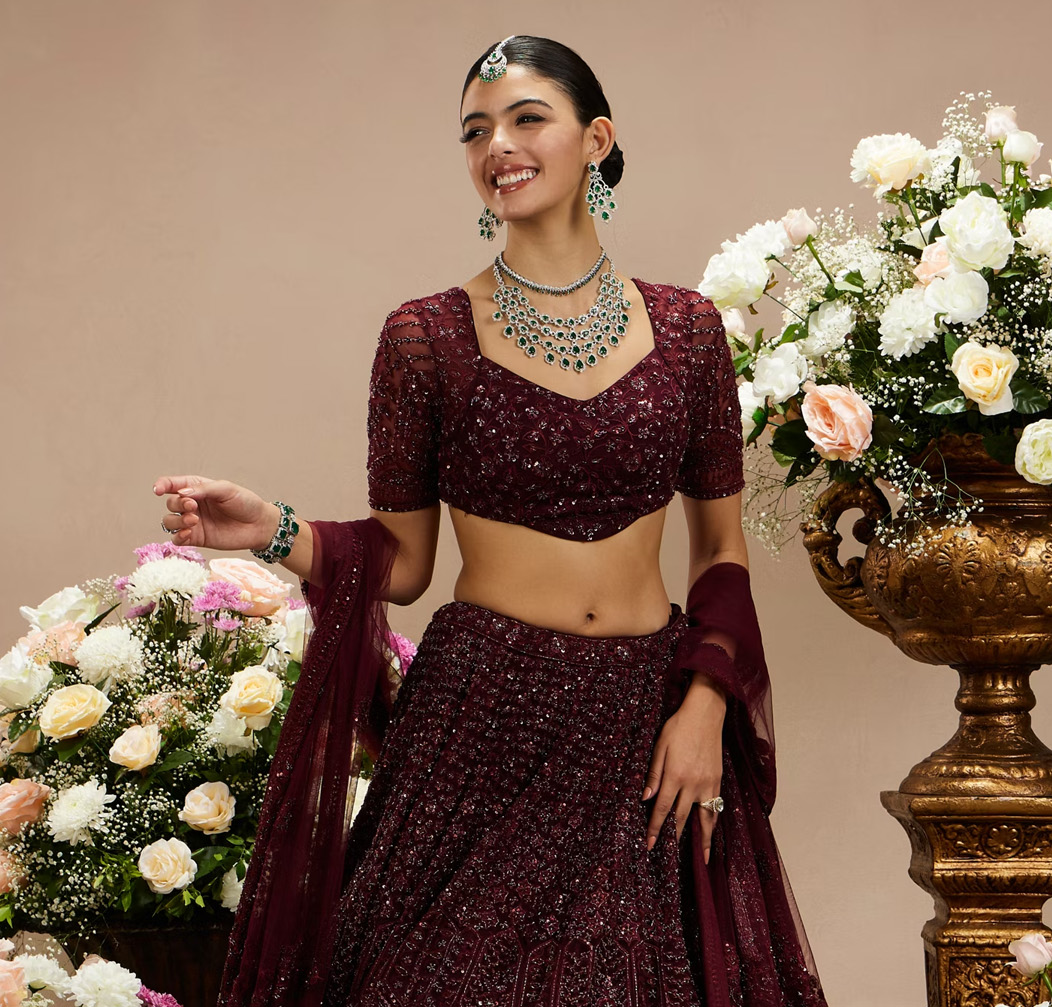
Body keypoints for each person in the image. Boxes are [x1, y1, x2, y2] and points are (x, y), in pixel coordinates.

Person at [151, 35, 827, 1007]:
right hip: (488, 715)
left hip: (644, 722)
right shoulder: (424, 337)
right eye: (475, 130)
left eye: (525, 118)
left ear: (596, 139)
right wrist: (270, 524)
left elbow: (719, 551)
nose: (496, 145)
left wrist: (706, 704)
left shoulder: (687, 333)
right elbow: (404, 561)